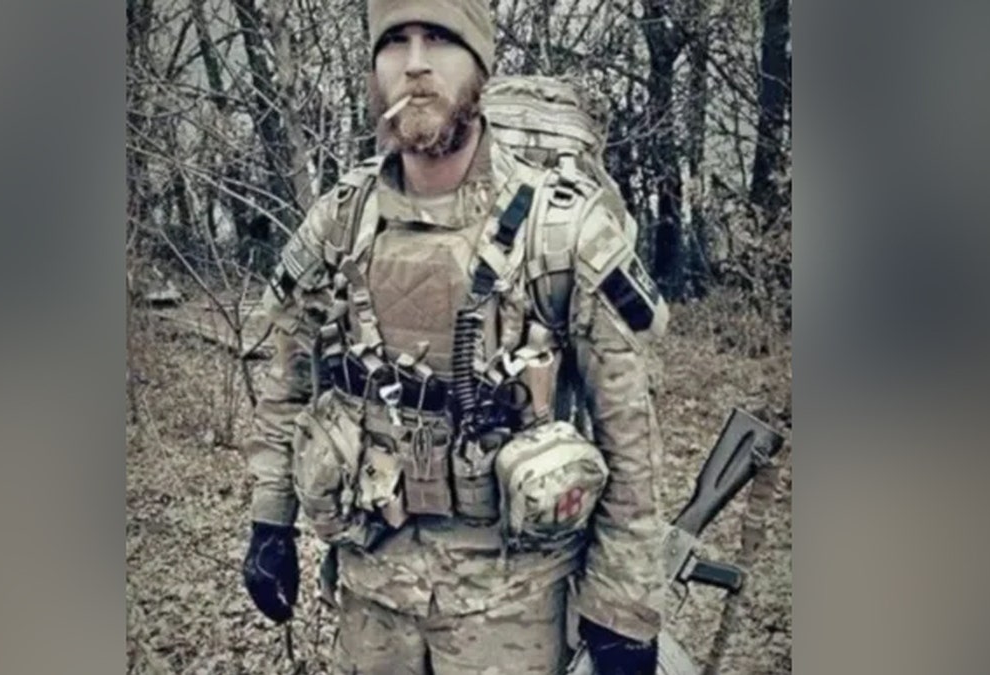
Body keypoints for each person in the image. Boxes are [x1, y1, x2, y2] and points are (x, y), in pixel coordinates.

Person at [242, 1, 671, 672]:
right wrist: (270, 519)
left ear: (479, 66)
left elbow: (631, 435)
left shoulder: (561, 231)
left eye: (439, 38)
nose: (415, 64)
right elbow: (289, 381)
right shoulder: (340, 223)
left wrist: (623, 609)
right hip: (373, 595)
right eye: (395, 42)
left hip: (513, 607)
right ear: (374, 69)